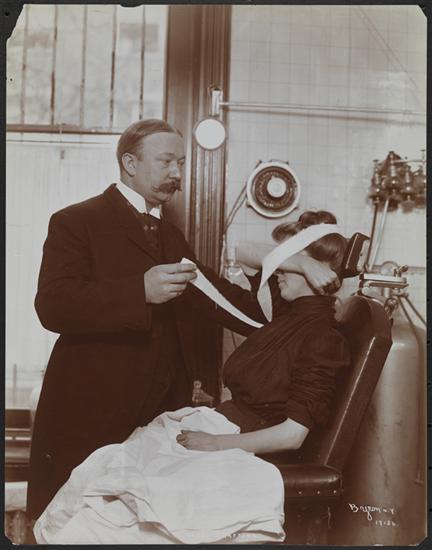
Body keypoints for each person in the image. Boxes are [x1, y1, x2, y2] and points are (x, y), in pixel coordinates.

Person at [27, 119, 339, 522]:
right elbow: (52, 306)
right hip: (90, 408)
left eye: (181, 163)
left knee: (136, 526)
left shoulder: (170, 236)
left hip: (154, 415)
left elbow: (232, 304)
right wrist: (138, 290)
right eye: (166, 162)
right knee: (71, 519)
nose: (176, 173)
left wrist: (296, 263)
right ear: (130, 163)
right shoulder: (76, 221)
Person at [33, 210, 350, 545]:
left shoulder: (322, 337)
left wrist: (216, 443)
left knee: (118, 510)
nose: (278, 270)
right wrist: (299, 262)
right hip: (220, 426)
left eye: (287, 264)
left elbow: (292, 435)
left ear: (322, 273)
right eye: (283, 262)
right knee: (100, 475)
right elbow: (245, 252)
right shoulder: (283, 312)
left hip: (236, 445)